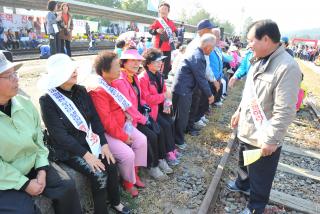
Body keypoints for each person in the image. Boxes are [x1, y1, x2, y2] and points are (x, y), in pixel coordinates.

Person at [38, 54, 130, 214]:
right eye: (69, 70)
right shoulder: (47, 100)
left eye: (74, 68)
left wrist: (104, 144)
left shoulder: (80, 90)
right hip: (70, 149)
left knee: (111, 162)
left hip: (90, 140)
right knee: (98, 174)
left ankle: (115, 201)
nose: (74, 71)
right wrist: (86, 155)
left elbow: (94, 118)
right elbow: (59, 135)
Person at [227, 20, 302, 214]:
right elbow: (250, 92)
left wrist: (272, 139)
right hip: (248, 127)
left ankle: (255, 207)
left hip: (263, 134)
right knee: (244, 160)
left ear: (266, 39)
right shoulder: (257, 58)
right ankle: (242, 183)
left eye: (251, 40)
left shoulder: (287, 67)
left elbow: (285, 110)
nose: (249, 45)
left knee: (261, 174)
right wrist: (239, 110)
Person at [0, 52, 82, 214]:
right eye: (9, 76)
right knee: (24, 210)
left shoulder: (24, 104)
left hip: (32, 164)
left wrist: (42, 169)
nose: (16, 79)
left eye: (15, 73)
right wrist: (23, 183)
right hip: (5, 177)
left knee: (66, 186)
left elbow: (39, 140)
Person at [89, 51, 148, 198]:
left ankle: (134, 173)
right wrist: (123, 137)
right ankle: (128, 182)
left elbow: (118, 107)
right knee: (127, 154)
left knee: (142, 140)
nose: (119, 68)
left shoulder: (111, 83)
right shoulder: (98, 90)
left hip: (121, 124)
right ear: (104, 70)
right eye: (116, 66)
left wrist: (126, 114)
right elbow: (106, 121)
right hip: (108, 132)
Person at [112, 49, 170, 181]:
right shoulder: (121, 80)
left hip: (139, 115)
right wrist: (143, 119)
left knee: (159, 130)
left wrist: (144, 106)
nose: (136, 64)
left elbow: (139, 99)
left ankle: (160, 159)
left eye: (138, 61)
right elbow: (128, 106)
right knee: (151, 136)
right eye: (132, 61)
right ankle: (152, 166)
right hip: (130, 120)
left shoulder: (133, 77)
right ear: (124, 62)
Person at [172, 34, 216, 150]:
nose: (211, 51)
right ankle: (178, 141)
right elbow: (201, 78)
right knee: (181, 116)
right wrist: (210, 95)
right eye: (211, 49)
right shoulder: (198, 57)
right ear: (207, 47)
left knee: (182, 115)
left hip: (184, 87)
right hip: (183, 89)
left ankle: (178, 137)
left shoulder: (197, 53)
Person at [140, 48, 180, 166]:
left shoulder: (159, 75)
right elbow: (147, 99)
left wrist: (167, 104)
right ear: (148, 63)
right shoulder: (143, 78)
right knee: (165, 126)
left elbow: (166, 93)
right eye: (156, 61)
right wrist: (163, 97)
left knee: (171, 122)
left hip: (160, 107)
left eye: (160, 61)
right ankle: (167, 153)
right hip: (151, 111)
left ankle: (171, 149)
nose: (160, 63)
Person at [149, 2, 177, 79]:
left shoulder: (171, 22)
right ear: (159, 11)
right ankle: (155, 77)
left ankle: (164, 78)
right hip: (159, 47)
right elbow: (150, 30)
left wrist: (175, 33)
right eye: (162, 9)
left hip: (168, 47)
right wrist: (157, 30)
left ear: (168, 11)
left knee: (167, 64)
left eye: (165, 9)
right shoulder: (158, 21)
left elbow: (176, 31)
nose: (163, 11)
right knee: (157, 63)